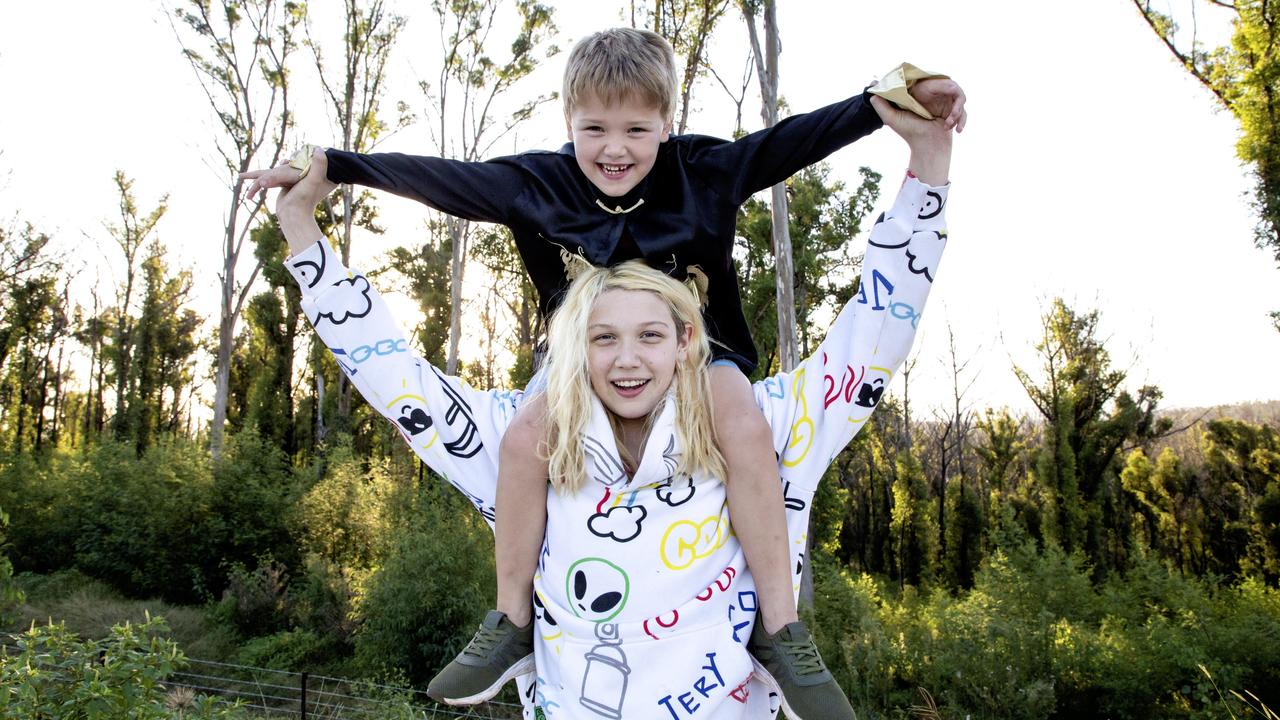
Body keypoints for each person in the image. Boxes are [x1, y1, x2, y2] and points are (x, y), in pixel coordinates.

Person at [274, 89, 953, 719]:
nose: (627, 359)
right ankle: (509, 624)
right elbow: (391, 370)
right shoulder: (527, 449)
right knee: (522, 429)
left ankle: (782, 629)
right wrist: (305, 225)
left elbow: (877, 323)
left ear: (687, 340)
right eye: (603, 339)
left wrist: (925, 156)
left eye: (651, 336)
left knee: (734, 410)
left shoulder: (768, 427)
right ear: (575, 345)